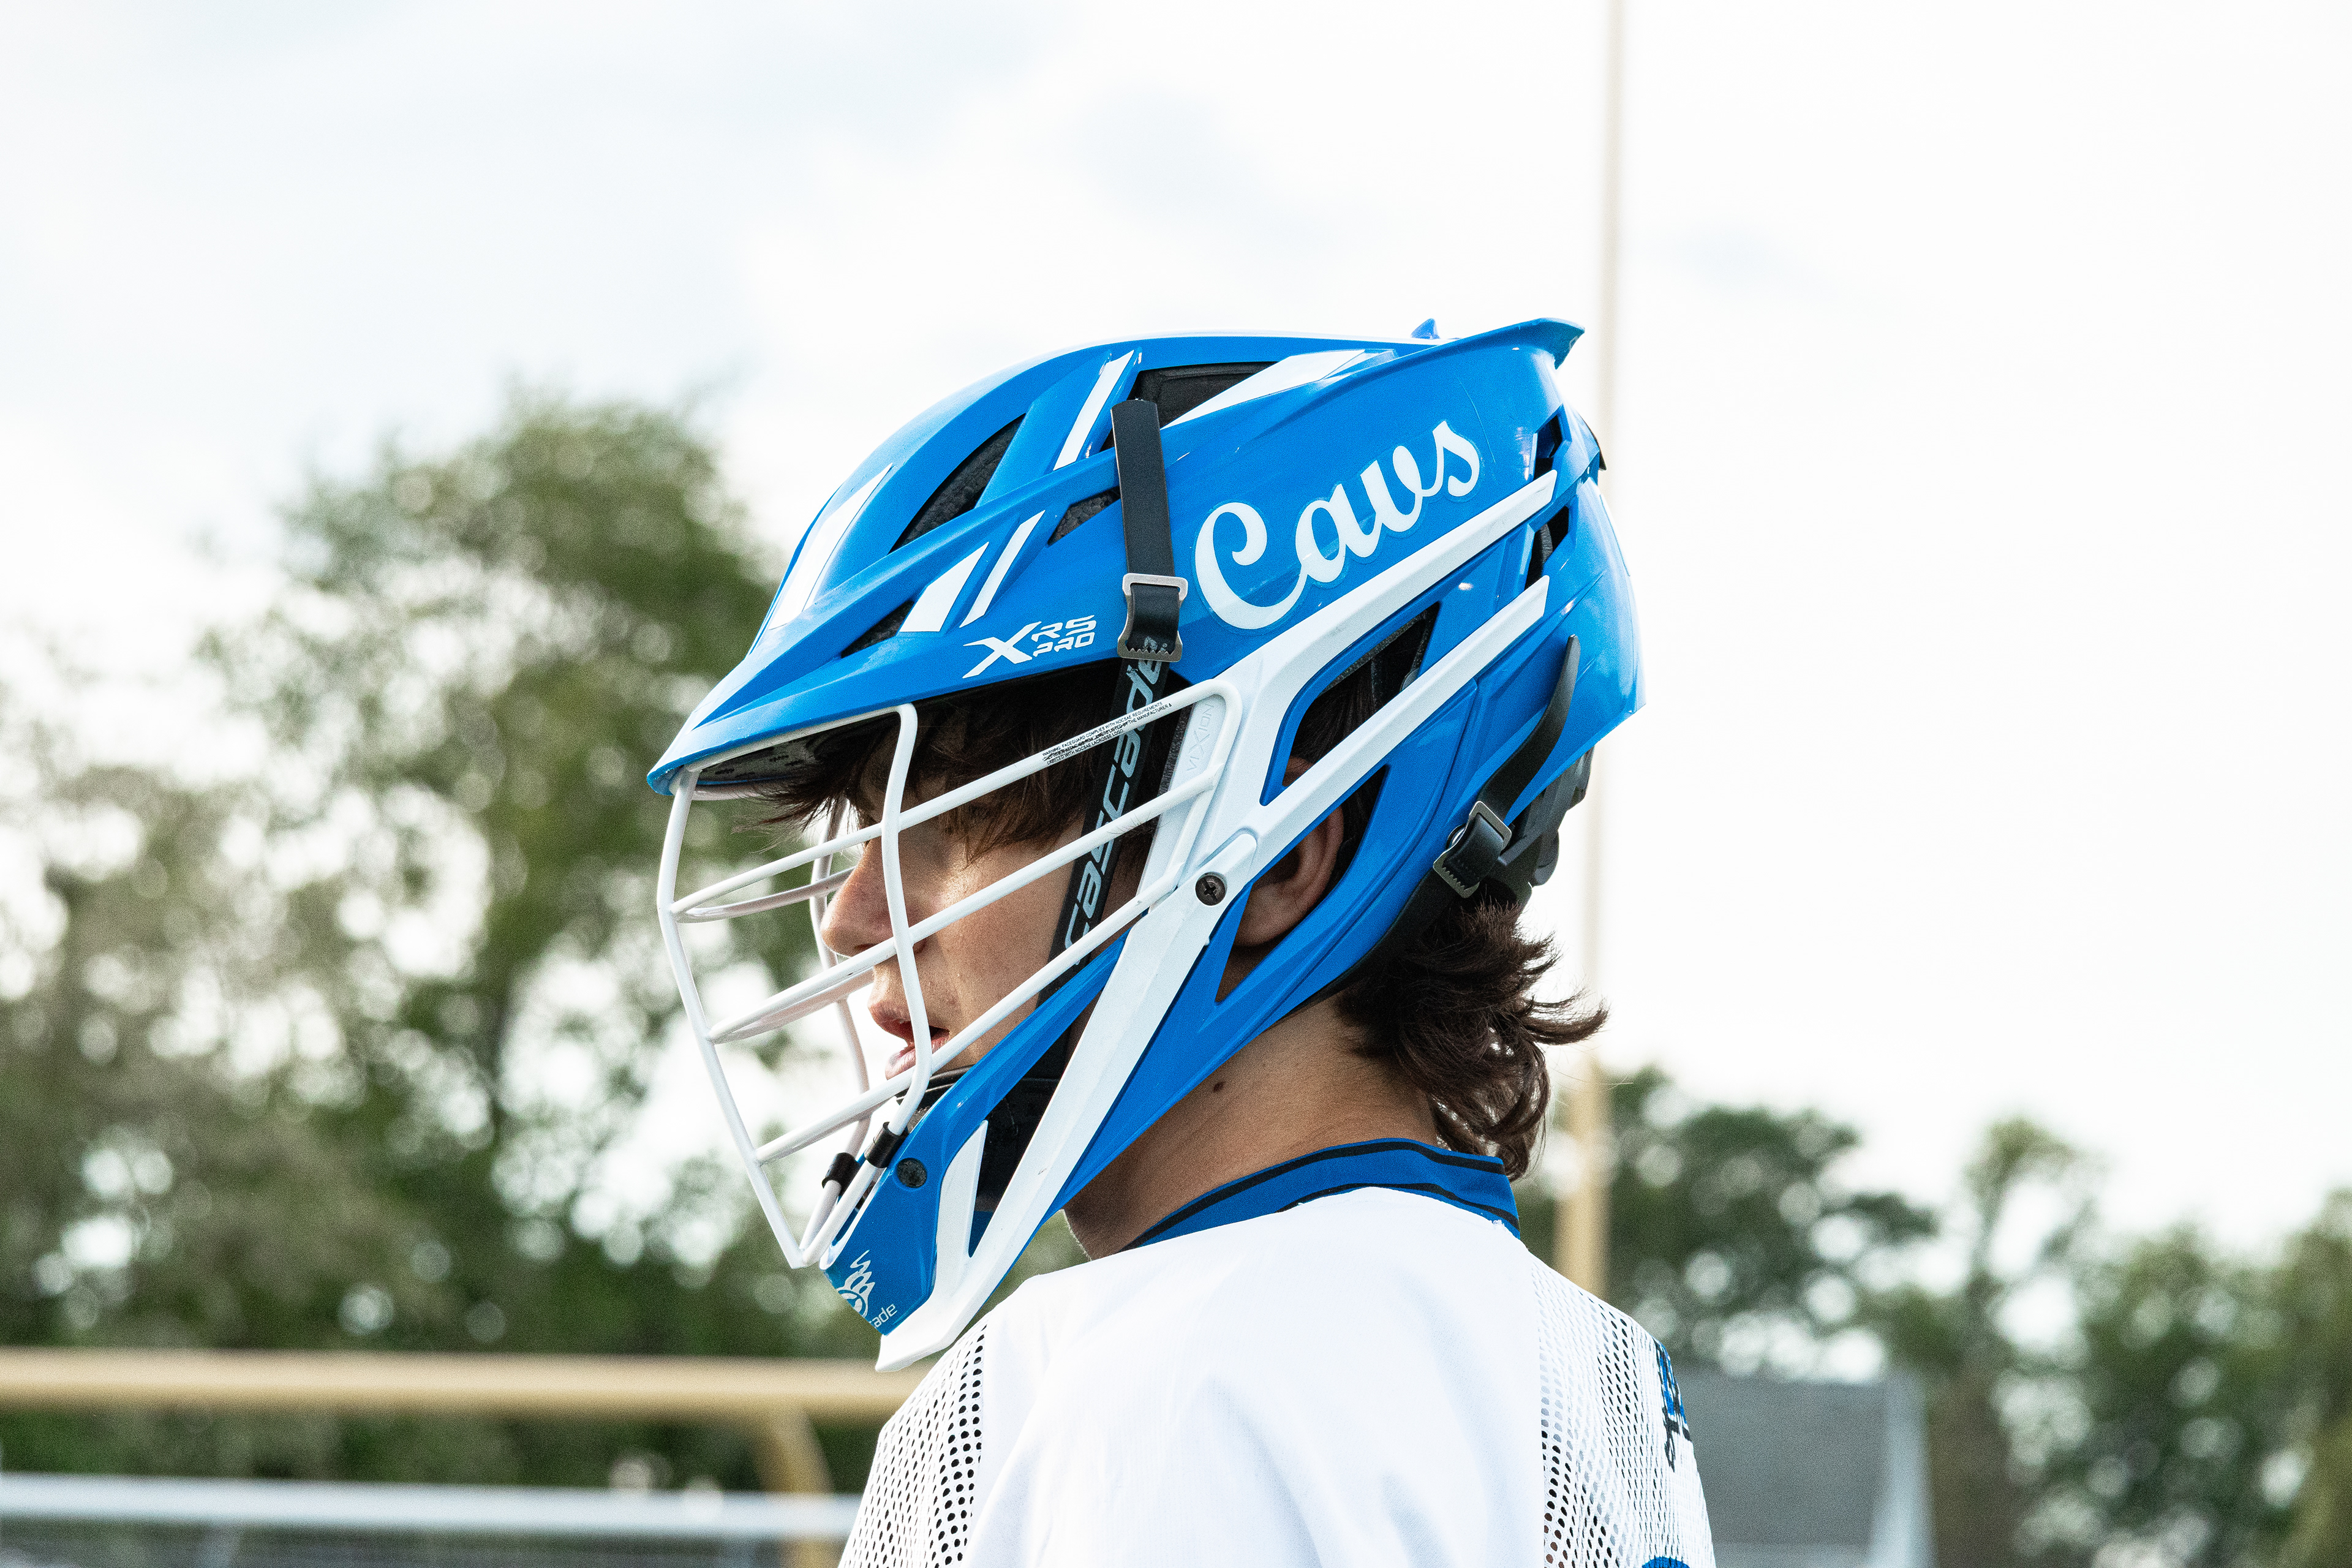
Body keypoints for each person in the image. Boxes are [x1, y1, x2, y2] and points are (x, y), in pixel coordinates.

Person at [649, 325, 1714, 1566]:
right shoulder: (1593, 1375)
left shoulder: (1158, 1385)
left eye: (951, 816)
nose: (850, 919)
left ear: (1281, 854)